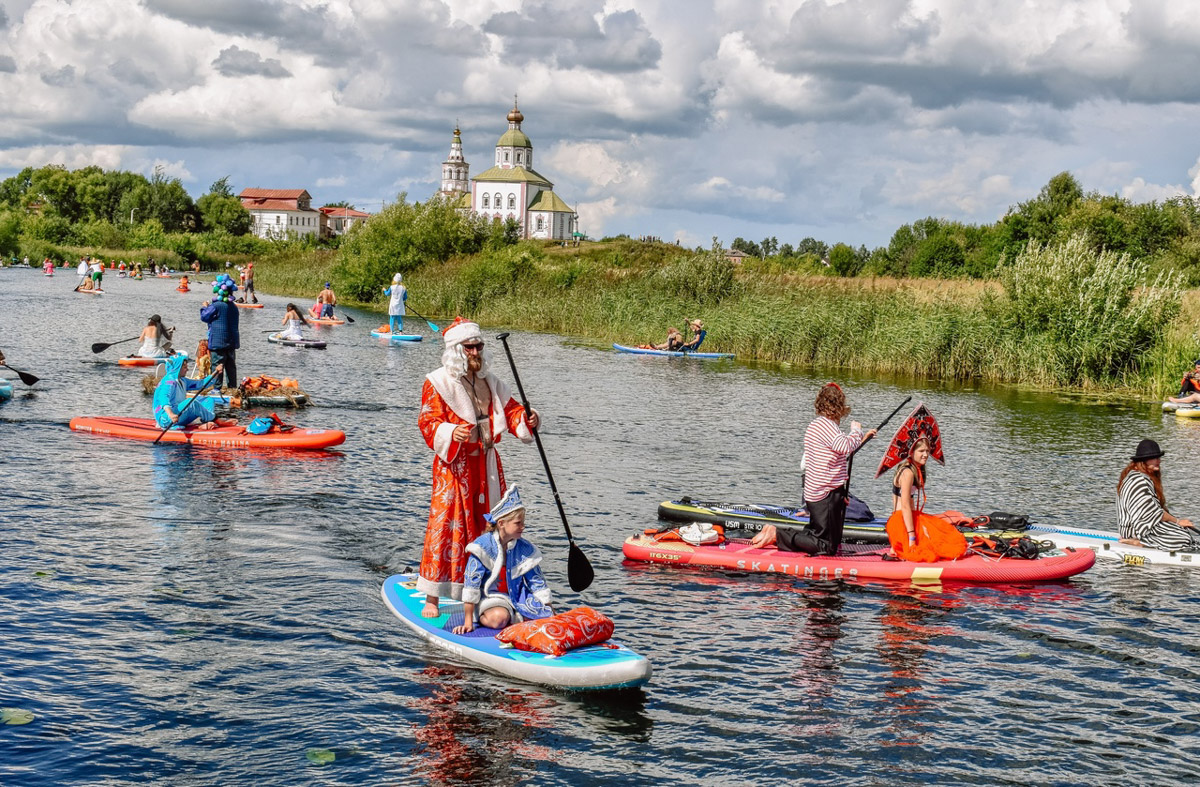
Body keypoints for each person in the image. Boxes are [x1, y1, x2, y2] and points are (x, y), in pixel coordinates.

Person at [416, 317, 540, 618]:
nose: (476, 352)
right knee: (447, 524)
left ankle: (486, 587)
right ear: (457, 349)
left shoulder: (492, 382)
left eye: (479, 346)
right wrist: (448, 431)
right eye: (470, 347)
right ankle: (433, 596)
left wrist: (528, 419)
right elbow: (427, 421)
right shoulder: (437, 382)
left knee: (489, 525)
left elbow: (511, 414)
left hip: (486, 463)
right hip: (454, 465)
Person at [751, 383, 877, 555]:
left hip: (824, 492)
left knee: (827, 538)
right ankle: (777, 534)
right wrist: (856, 431)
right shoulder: (827, 426)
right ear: (838, 406)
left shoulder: (818, 425)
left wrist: (840, 494)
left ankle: (783, 535)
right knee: (825, 545)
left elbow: (835, 455)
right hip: (825, 494)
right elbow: (845, 446)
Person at [452, 485, 553, 634]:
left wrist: (550, 611)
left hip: (519, 598)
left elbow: (537, 583)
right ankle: (482, 616)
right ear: (501, 524)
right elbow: (471, 586)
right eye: (518, 523)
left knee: (544, 617)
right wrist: (468, 622)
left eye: (523, 523)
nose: (523, 527)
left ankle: (517, 617)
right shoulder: (482, 547)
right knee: (500, 618)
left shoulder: (524, 549)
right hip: (490, 598)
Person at [883, 437, 967, 562]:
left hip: (903, 518)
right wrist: (912, 537)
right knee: (942, 546)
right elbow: (905, 506)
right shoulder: (908, 472)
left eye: (927, 451)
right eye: (921, 451)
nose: (926, 455)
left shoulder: (911, 468)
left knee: (943, 535)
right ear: (911, 452)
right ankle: (897, 548)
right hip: (903, 521)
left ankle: (896, 548)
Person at [1117, 439, 1198, 550]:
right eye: (1154, 458)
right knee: (1183, 538)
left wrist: (1177, 524)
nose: (1158, 461)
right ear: (1143, 461)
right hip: (1136, 529)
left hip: (1143, 526)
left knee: (1183, 531)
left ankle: (1145, 541)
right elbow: (1154, 513)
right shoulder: (1139, 481)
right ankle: (1140, 542)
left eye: (1159, 457)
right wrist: (1178, 521)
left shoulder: (1138, 476)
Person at [152, 355, 231, 430]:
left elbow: (202, 384)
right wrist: (171, 414)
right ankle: (218, 421)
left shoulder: (183, 380)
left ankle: (207, 422)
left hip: (178, 414)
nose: (187, 369)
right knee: (190, 402)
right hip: (166, 418)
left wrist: (216, 372)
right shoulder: (168, 381)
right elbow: (163, 398)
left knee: (208, 400)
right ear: (178, 368)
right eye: (185, 367)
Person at [200, 274, 241, 389]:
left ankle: (216, 389)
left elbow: (204, 317)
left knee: (217, 366)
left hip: (218, 342)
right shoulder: (233, 306)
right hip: (231, 342)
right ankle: (233, 389)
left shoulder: (216, 305)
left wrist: (205, 307)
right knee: (230, 367)